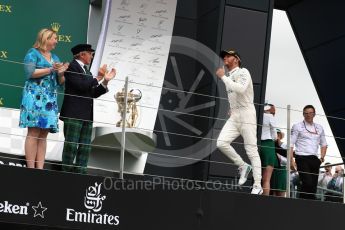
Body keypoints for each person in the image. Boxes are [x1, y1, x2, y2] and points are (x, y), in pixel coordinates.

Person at [60, 44, 116, 174]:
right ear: (82, 54)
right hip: (73, 114)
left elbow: (93, 93)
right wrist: (97, 77)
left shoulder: (87, 71)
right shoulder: (72, 67)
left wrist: (105, 81)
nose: (92, 56)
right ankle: (65, 174)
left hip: (86, 115)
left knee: (85, 148)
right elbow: (81, 85)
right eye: (90, 53)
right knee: (71, 146)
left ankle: (81, 174)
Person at [19, 28, 68, 169]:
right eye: (54, 38)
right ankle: (30, 168)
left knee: (44, 134)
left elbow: (60, 82)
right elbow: (30, 73)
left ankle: (40, 169)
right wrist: (51, 69)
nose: (56, 41)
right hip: (34, 96)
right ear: (46, 38)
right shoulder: (32, 53)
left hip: (49, 99)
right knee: (33, 131)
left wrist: (61, 73)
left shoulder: (55, 57)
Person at [215, 49, 262, 194]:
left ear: (236, 59)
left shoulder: (243, 72)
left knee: (251, 150)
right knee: (221, 143)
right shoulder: (229, 76)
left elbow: (241, 89)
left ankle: (257, 185)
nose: (225, 58)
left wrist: (223, 77)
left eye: (228, 56)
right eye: (224, 56)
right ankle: (243, 166)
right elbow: (234, 94)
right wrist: (232, 107)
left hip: (247, 114)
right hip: (235, 115)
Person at [290, 105, 327, 200]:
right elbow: (291, 144)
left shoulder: (319, 127)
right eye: (306, 113)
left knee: (313, 187)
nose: (308, 115)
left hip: (315, 159)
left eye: (310, 113)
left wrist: (322, 158)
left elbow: (324, 144)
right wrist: (291, 160)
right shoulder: (297, 126)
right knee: (307, 182)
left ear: (314, 114)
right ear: (303, 114)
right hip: (301, 157)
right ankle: (302, 203)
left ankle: (309, 206)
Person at [260, 103, 278, 195]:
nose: (274, 113)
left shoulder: (256, 114)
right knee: (266, 179)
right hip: (268, 145)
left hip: (257, 143)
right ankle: (264, 203)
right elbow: (275, 135)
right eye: (273, 111)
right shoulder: (270, 117)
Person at [271, 129, 287, 197]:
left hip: (281, 170)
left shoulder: (285, 145)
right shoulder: (270, 144)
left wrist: (278, 155)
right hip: (272, 169)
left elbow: (287, 161)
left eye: (278, 134)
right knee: (273, 193)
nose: (276, 135)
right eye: (275, 134)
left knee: (281, 193)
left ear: (280, 136)